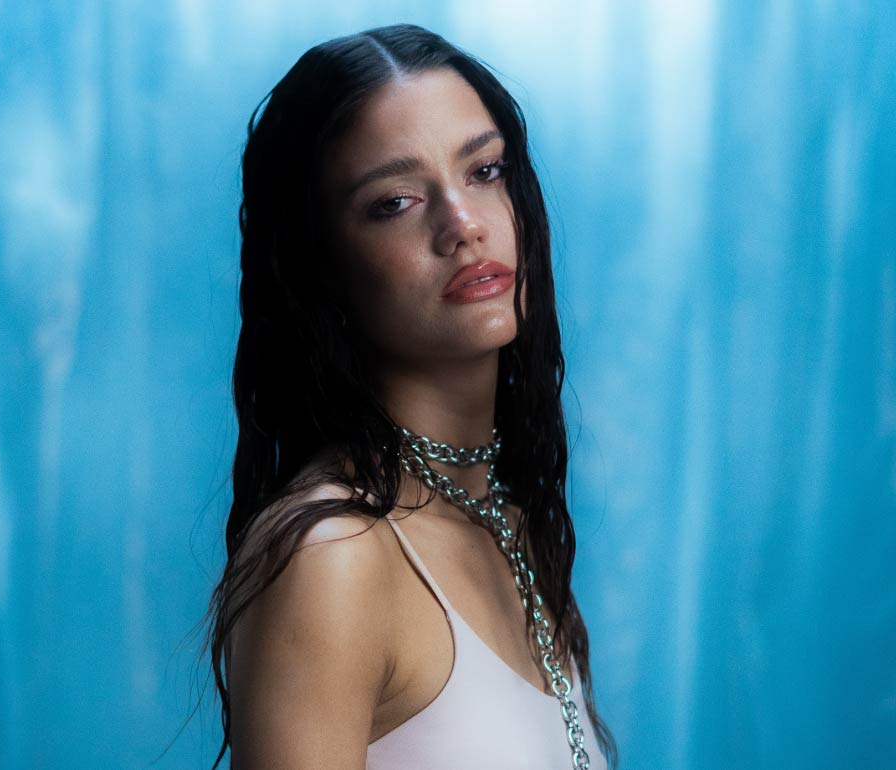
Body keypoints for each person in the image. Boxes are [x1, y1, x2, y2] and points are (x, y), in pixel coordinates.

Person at [202, 23, 617, 770]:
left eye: (485, 171)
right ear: (320, 264)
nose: (463, 225)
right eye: (394, 201)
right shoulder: (333, 555)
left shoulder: (503, 516)